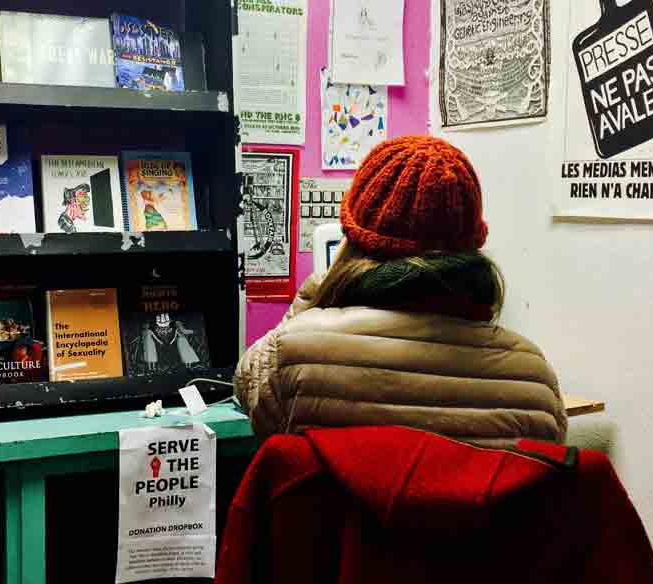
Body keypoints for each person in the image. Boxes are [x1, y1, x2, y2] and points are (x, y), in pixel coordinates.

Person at [235, 135, 567, 444]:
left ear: (354, 241)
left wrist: (313, 300)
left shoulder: (290, 357)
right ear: (472, 247)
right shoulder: (536, 383)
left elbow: (247, 388)